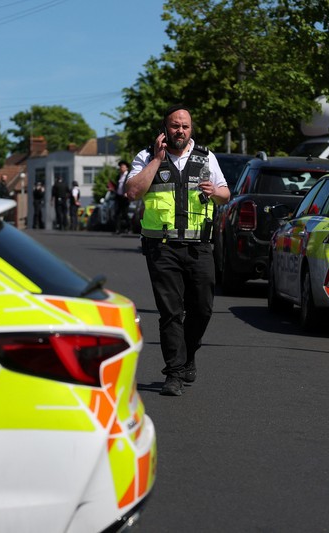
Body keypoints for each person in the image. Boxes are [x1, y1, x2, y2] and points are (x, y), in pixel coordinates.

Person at [126, 104, 230, 397]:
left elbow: (225, 194)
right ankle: (173, 374)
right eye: (175, 126)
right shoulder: (146, 157)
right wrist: (157, 160)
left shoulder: (206, 157)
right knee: (171, 312)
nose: (180, 131)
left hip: (200, 247)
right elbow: (132, 191)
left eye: (185, 126)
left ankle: (188, 355)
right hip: (162, 248)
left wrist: (215, 192)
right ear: (165, 129)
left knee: (202, 309)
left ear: (191, 129)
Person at [114, 160, 131, 234]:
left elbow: (131, 185)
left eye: (123, 167)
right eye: (120, 167)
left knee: (125, 214)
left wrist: (127, 193)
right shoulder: (119, 176)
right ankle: (118, 229)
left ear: (126, 168)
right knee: (117, 214)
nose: (121, 168)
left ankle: (129, 228)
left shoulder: (129, 176)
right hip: (119, 197)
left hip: (125, 198)